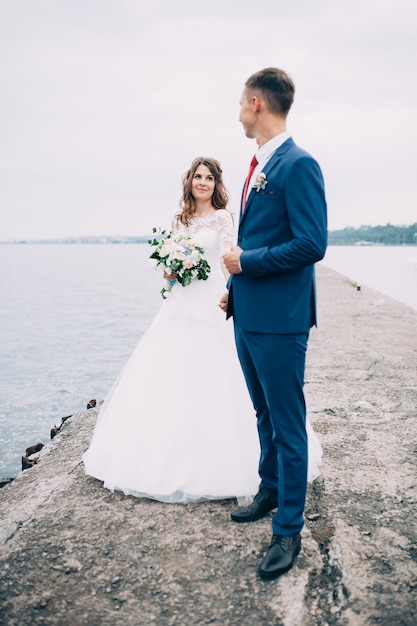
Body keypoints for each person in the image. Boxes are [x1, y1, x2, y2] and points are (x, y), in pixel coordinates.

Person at [83, 156, 322, 505]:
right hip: (179, 303)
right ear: (190, 181)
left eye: (209, 177)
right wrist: (169, 267)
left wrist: (233, 292)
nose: (203, 182)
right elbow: (168, 267)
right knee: (167, 373)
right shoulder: (179, 220)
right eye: (198, 176)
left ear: (216, 184)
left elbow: (229, 259)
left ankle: (245, 465)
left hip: (210, 300)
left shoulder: (223, 218)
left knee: (223, 373)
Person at [221, 68, 328, 579]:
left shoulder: (298, 164)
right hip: (248, 314)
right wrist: (234, 288)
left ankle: (288, 531)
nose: (239, 111)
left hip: (282, 323)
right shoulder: (256, 164)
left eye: (242, 103)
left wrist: (248, 263)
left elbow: (312, 244)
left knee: (288, 424)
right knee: (262, 412)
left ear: (258, 104)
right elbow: (260, 237)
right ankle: (269, 489)